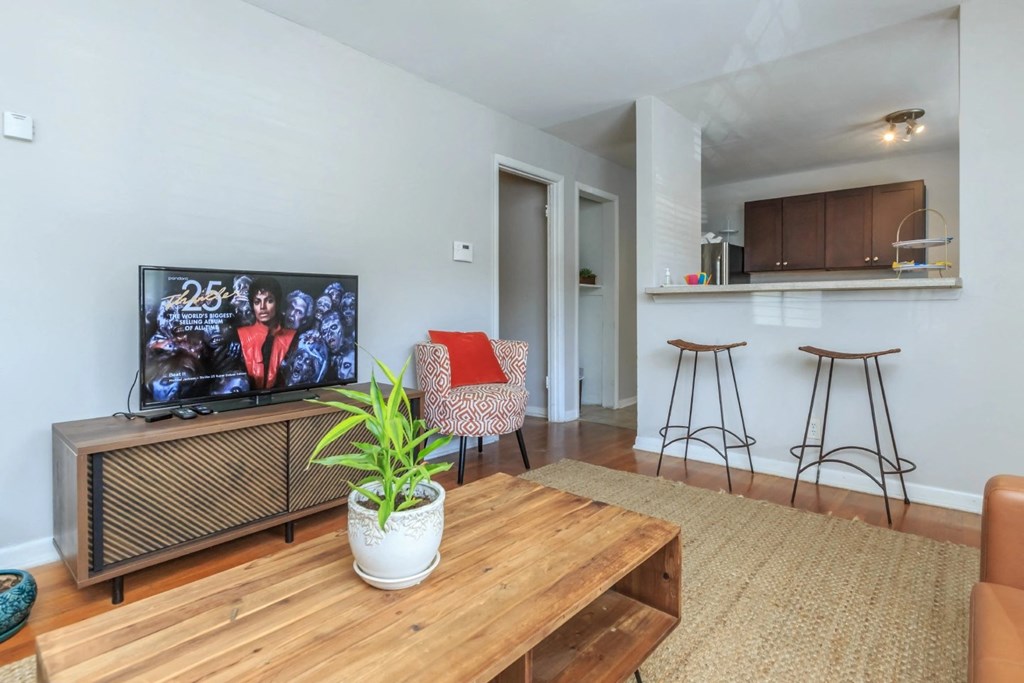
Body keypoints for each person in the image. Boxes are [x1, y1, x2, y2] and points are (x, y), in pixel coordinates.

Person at [235, 276, 297, 389]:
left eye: (269, 301)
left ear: (277, 303)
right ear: (252, 306)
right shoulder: (240, 336)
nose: (262, 307)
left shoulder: (293, 337)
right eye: (257, 302)